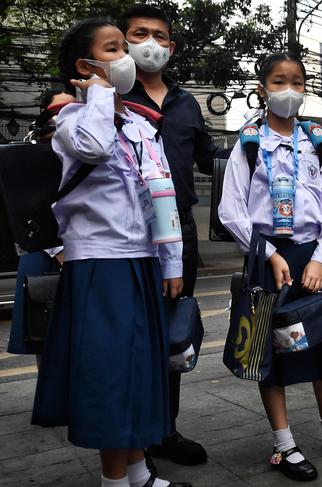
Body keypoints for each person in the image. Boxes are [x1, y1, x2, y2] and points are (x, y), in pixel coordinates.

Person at [30, 18, 189, 487]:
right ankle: (114, 481)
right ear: (85, 64)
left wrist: (172, 260)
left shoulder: (140, 123)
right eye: (114, 48)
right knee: (111, 375)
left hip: (141, 260)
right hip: (100, 264)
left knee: (141, 369)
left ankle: (139, 472)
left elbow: (163, 191)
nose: (128, 56)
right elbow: (95, 149)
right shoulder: (70, 120)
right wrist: (98, 93)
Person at [218, 52, 322, 482]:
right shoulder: (247, 143)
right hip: (268, 258)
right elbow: (231, 211)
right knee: (272, 353)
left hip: (313, 257)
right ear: (263, 89)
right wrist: (268, 255)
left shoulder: (318, 142)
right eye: (279, 82)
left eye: (297, 82)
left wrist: (320, 257)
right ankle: (284, 445)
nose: (289, 90)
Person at [119, 4, 229, 464]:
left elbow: (208, 160)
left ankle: (165, 429)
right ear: (122, 42)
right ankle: (127, 433)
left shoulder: (187, 104)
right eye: (138, 34)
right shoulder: (104, 97)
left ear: (171, 46)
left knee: (173, 336)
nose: (149, 43)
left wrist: (254, 143)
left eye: (158, 35)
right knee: (129, 336)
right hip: (123, 236)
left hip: (179, 233)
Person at [7, 89, 74, 361]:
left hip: (83, 253)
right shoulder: (30, 155)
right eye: (56, 112)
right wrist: (58, 250)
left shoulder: (90, 150)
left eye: (71, 109)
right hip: (45, 254)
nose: (63, 118)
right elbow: (23, 210)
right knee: (47, 341)